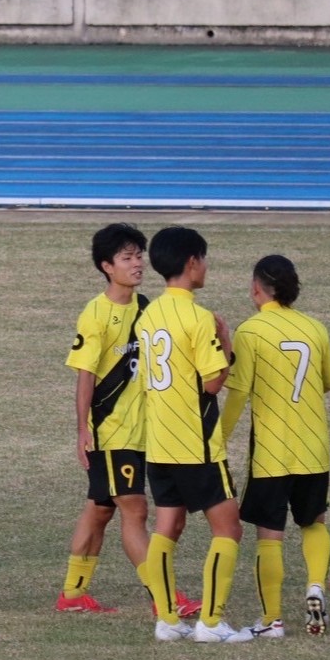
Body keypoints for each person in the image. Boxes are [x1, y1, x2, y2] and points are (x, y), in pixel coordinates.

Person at [59, 222, 201, 618]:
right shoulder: (96, 314)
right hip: (112, 433)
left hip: (145, 434)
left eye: (139, 255)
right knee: (135, 510)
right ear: (107, 266)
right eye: (127, 258)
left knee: (99, 509)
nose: (137, 264)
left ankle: (73, 593)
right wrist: (83, 429)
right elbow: (85, 375)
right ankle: (164, 597)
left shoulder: (148, 310)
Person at [136, 226, 252, 643]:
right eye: (203, 259)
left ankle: (167, 619)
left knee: (168, 526)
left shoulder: (147, 315)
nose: (206, 266)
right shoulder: (199, 318)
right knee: (229, 529)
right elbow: (212, 383)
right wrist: (227, 344)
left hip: (160, 442)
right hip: (196, 445)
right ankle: (212, 622)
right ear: (191, 263)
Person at [221, 255, 330, 639]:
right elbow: (327, 382)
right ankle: (316, 584)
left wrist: (217, 439)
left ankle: (271, 620)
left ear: (257, 289)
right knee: (314, 522)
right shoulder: (315, 328)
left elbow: (237, 395)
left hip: (272, 452)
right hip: (314, 447)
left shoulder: (251, 332)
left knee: (270, 533)